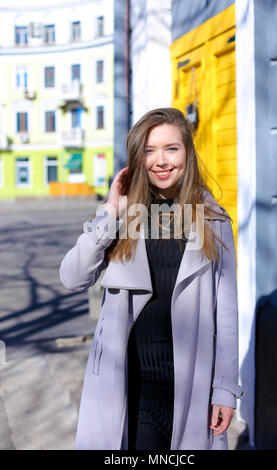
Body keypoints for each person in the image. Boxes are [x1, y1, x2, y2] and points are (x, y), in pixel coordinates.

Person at [59, 107, 243, 450]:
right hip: (128, 385)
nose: (161, 160)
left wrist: (225, 389)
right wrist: (112, 211)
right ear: (138, 158)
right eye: (149, 150)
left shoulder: (213, 219)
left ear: (187, 152)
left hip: (191, 387)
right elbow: (72, 277)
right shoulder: (121, 215)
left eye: (171, 148)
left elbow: (226, 312)